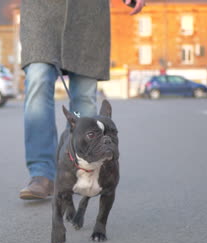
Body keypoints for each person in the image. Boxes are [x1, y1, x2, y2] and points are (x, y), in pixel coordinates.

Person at [19, 0, 146, 200]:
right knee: (37, 78)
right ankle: (42, 174)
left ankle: (81, 166)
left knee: (84, 97)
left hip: (88, 13)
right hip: (41, 11)